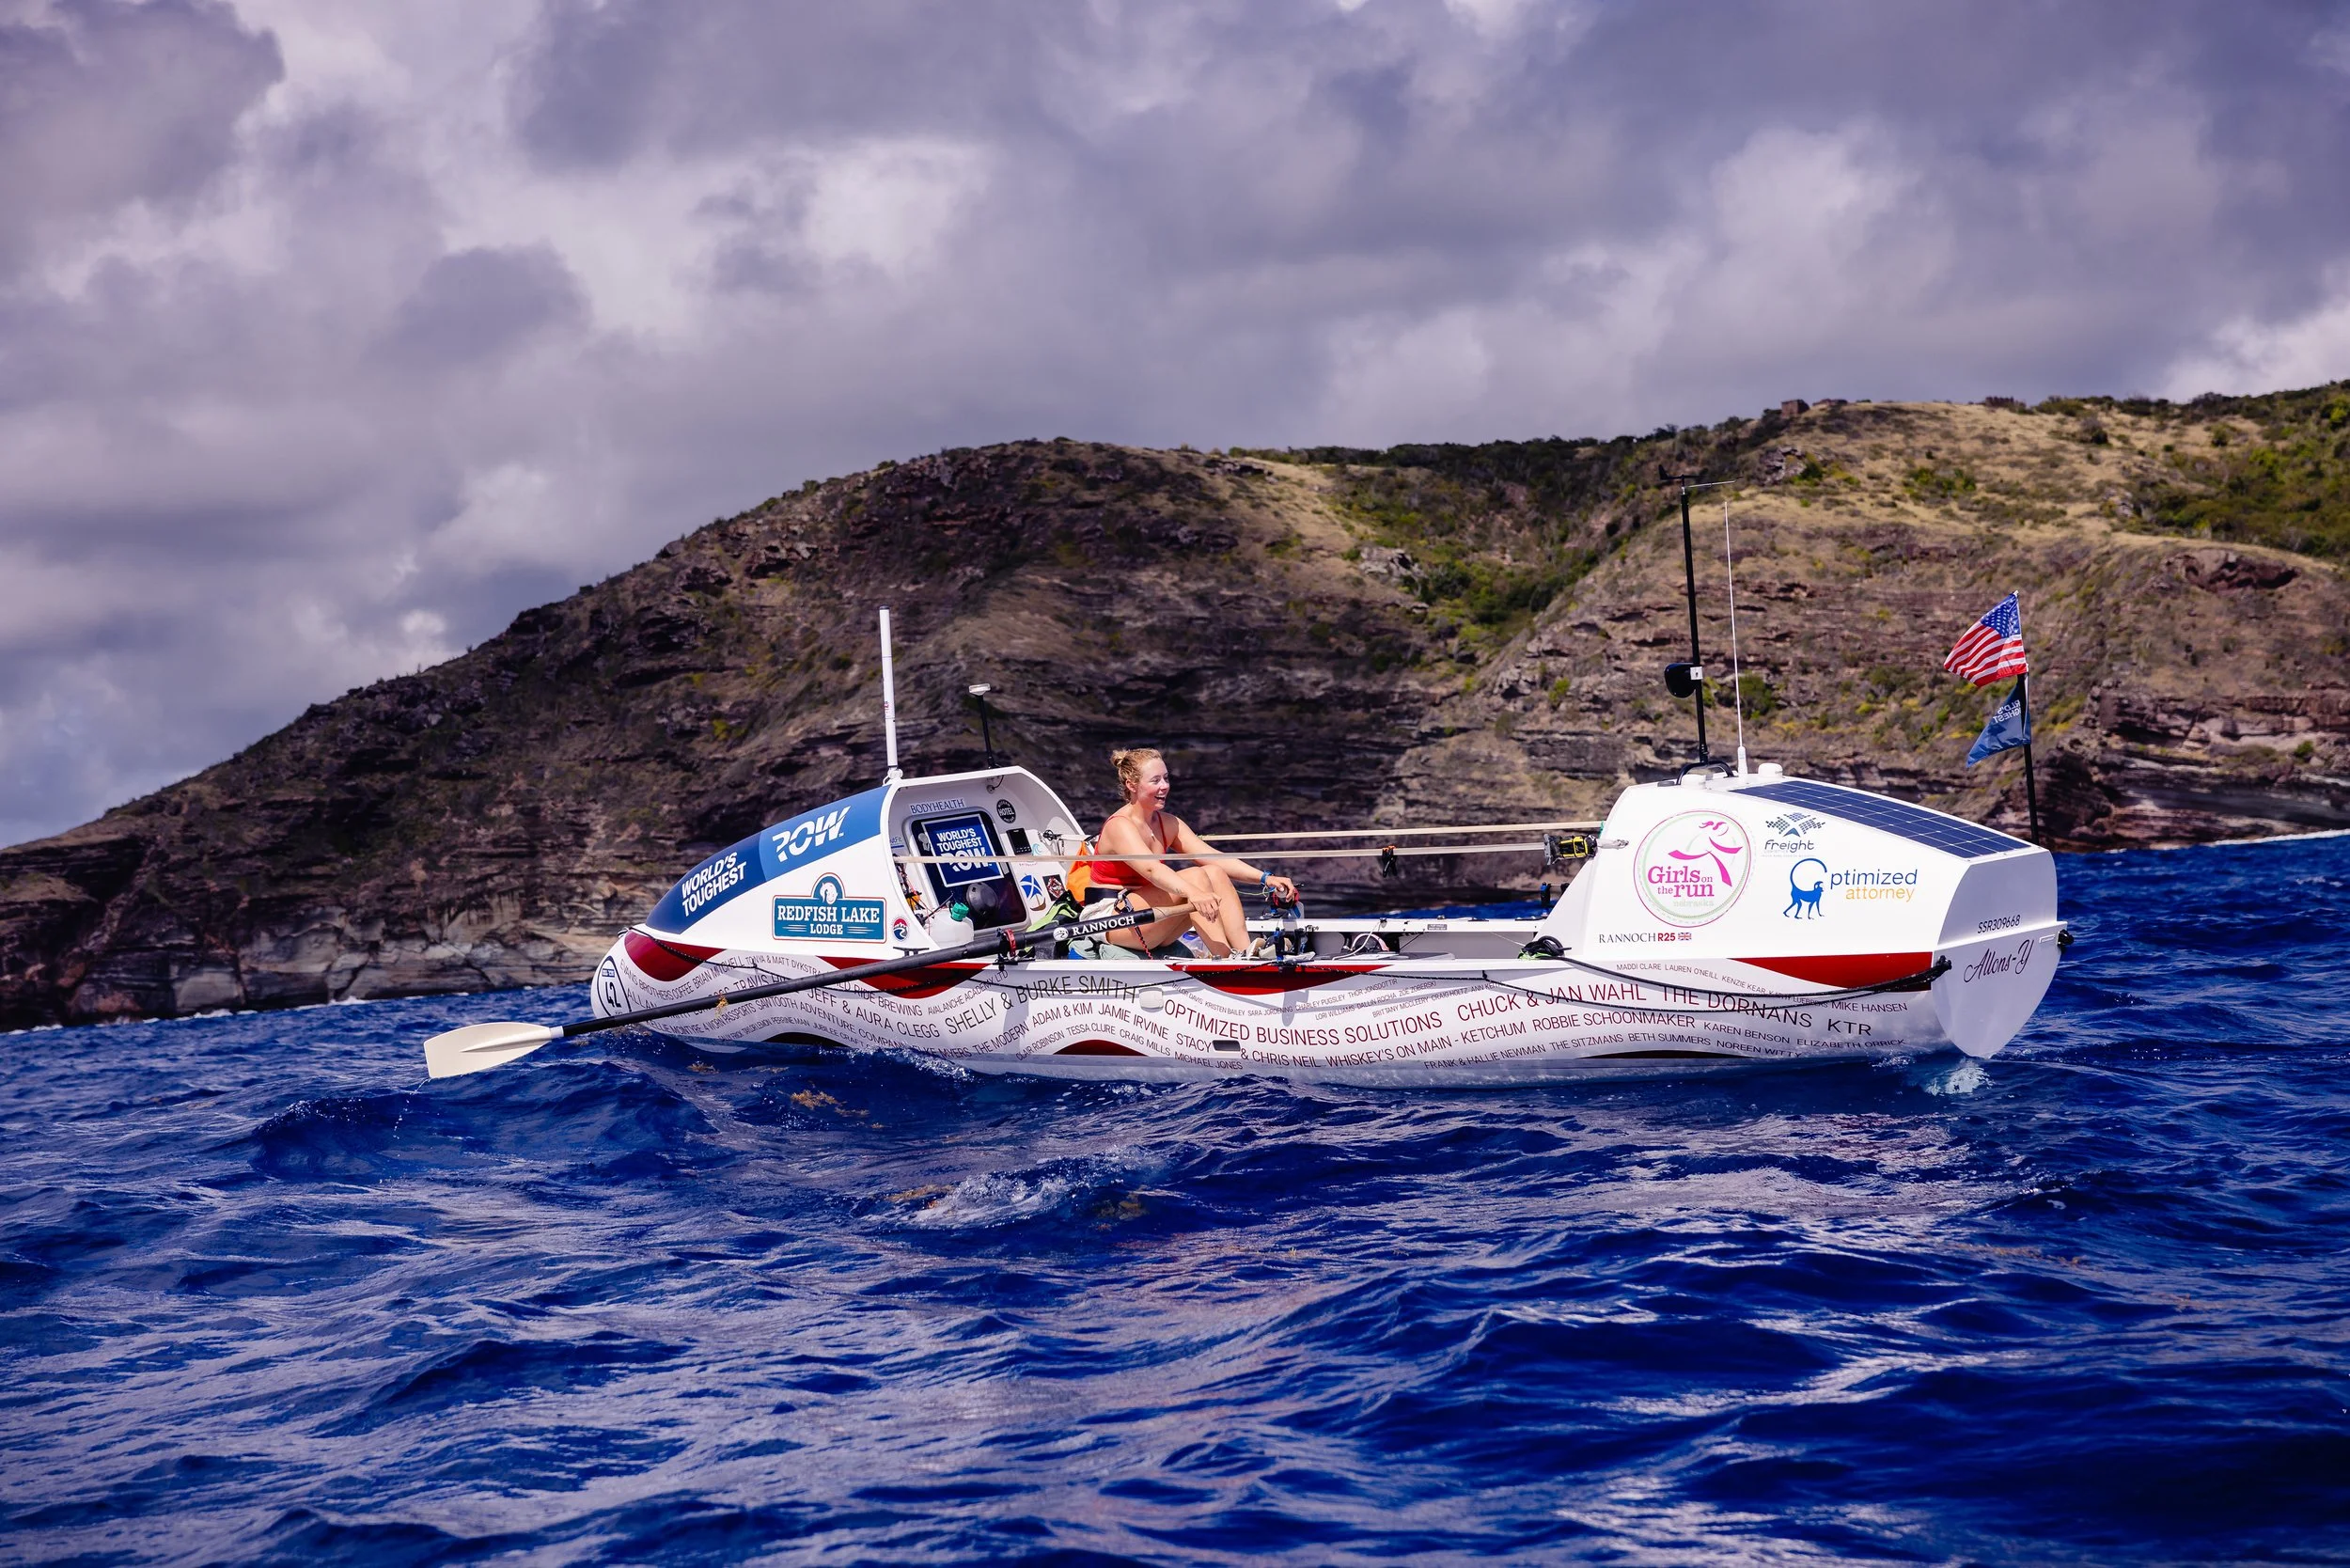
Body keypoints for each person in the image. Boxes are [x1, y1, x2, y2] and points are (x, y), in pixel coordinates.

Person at [1082, 747, 1298, 958]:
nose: (1164, 786)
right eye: (1155, 781)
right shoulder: (1120, 825)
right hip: (1109, 919)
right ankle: (1224, 957)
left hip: (1148, 918)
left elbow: (1213, 857)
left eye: (1166, 778)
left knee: (1213, 871)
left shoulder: (1169, 823)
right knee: (1196, 877)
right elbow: (1151, 869)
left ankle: (1245, 952)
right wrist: (1193, 892)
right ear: (1132, 785)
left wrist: (1266, 878)